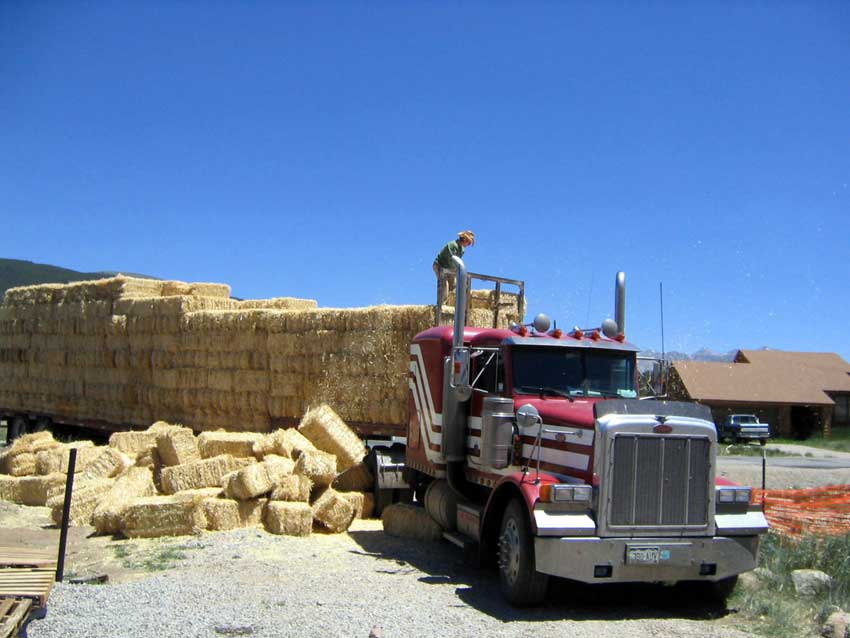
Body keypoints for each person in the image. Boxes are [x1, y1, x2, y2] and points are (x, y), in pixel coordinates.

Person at [433, 230, 475, 306]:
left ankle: (451, 306)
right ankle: (441, 306)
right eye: (469, 242)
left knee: (454, 286)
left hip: (450, 269)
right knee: (444, 285)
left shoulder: (462, 250)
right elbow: (451, 260)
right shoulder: (452, 245)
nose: (469, 245)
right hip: (440, 265)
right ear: (464, 239)